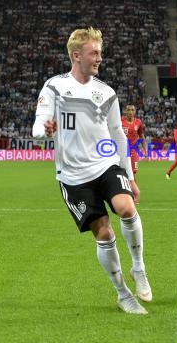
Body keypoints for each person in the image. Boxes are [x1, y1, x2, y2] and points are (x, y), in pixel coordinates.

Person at [32, 27, 152, 315]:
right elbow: (38, 125)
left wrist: (131, 178)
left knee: (126, 207)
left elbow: (118, 135)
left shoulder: (106, 92)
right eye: (94, 52)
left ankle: (139, 267)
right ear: (76, 56)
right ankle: (123, 293)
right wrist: (45, 132)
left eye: (100, 52)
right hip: (73, 176)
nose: (100, 57)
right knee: (104, 233)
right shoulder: (54, 87)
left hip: (105, 163)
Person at [121, 104, 146, 180]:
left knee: (133, 174)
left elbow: (141, 136)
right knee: (122, 173)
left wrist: (145, 149)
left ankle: (133, 192)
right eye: (128, 110)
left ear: (135, 111)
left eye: (132, 110)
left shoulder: (138, 122)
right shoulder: (120, 122)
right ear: (125, 111)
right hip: (122, 151)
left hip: (133, 150)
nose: (130, 112)